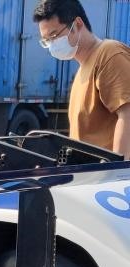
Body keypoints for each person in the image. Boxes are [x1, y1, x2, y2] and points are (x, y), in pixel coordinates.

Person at [34, 0, 130, 159]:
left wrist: (118, 170)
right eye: (47, 41)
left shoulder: (109, 54)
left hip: (109, 173)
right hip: (89, 172)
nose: (52, 45)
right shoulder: (82, 70)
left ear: (78, 24)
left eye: (54, 36)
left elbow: (127, 114)